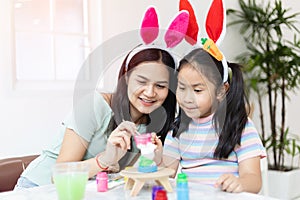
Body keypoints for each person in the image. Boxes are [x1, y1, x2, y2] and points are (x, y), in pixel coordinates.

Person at [14, 46, 177, 189]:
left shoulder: (153, 126)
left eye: (160, 86)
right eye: (141, 81)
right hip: (39, 188)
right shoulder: (94, 105)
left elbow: (135, 181)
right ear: (126, 78)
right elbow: (59, 176)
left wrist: (154, 161)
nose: (150, 92)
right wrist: (105, 160)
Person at [152, 48, 266, 193]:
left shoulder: (240, 126)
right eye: (182, 88)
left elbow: (254, 180)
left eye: (197, 90)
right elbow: (166, 178)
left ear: (221, 91)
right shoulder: (178, 129)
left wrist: (241, 183)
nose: (187, 98)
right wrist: (156, 157)